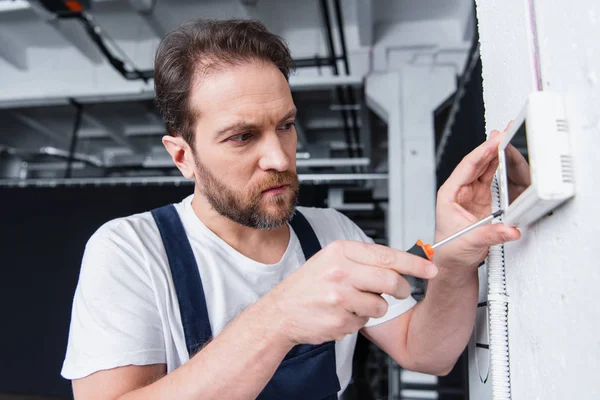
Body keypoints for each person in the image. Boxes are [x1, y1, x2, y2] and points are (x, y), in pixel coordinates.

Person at [61, 19, 520, 400]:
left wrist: (457, 261)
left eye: (286, 126)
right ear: (182, 156)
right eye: (242, 136)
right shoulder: (131, 251)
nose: (280, 158)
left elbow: (426, 353)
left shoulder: (331, 233)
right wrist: (277, 319)